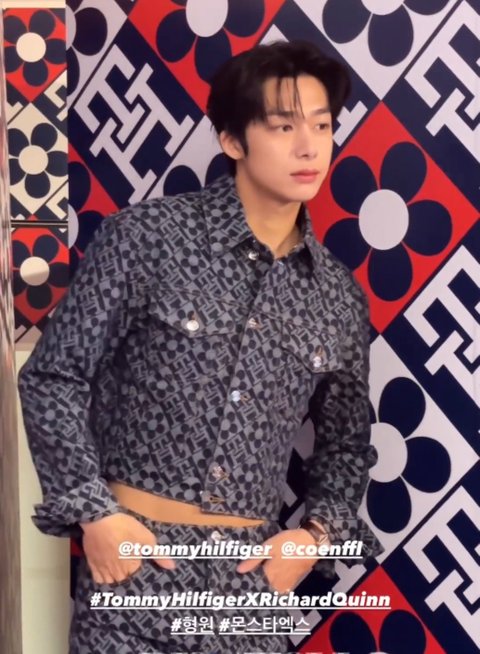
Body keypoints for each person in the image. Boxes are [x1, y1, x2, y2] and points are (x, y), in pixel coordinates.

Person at [17, 40, 381, 654]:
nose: (309, 147)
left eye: (322, 126)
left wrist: (315, 538)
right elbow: (54, 377)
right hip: (134, 575)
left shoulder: (337, 297)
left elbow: (347, 445)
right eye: (284, 126)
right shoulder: (147, 238)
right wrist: (94, 513)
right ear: (232, 140)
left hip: (250, 589)